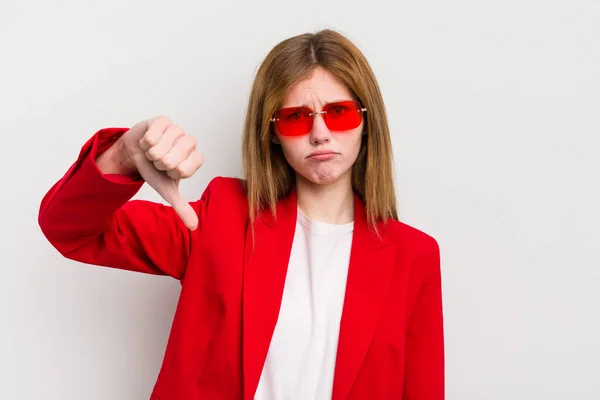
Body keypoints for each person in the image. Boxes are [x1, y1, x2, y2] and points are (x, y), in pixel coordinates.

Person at [38, 29, 444, 400]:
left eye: (339, 112)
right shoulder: (222, 219)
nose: (320, 133)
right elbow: (70, 230)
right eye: (296, 117)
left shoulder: (414, 257)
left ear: (366, 122)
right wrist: (124, 154)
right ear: (271, 132)